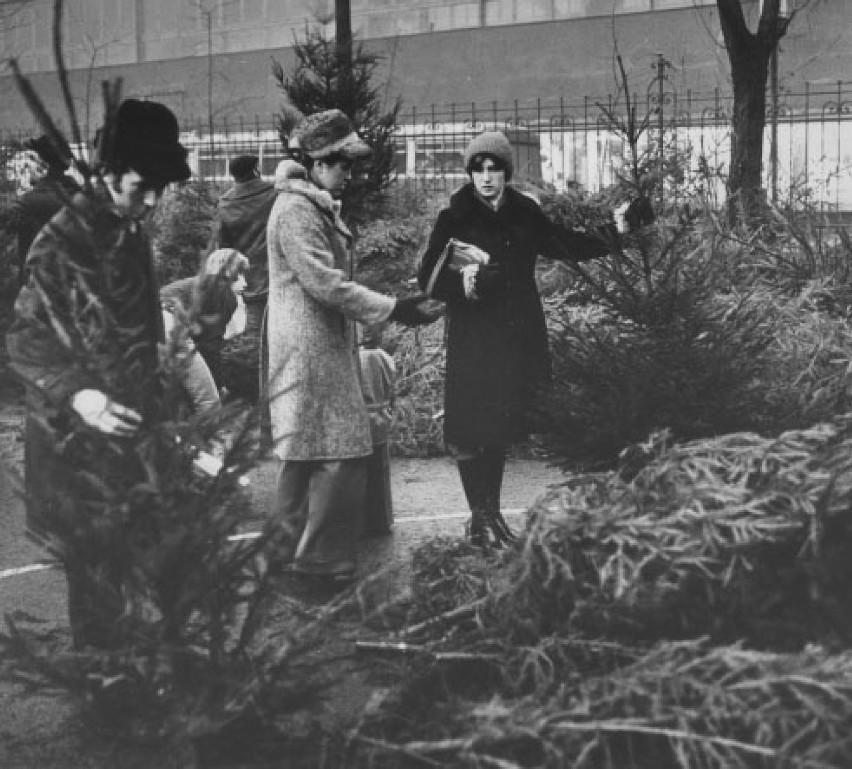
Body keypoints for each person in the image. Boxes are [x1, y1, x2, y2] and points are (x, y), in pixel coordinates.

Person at [6, 99, 191, 648]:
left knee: (144, 564)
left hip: (132, 434)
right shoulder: (64, 239)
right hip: (76, 445)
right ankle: (107, 693)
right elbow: (26, 336)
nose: (154, 199)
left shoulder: (128, 228)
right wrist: (79, 394)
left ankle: (144, 671)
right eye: (142, 184)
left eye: (162, 185)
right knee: (98, 579)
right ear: (107, 172)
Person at [417, 130, 644, 548]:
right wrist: (468, 279)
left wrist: (620, 228)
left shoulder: (524, 211)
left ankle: (491, 517)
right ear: (469, 173)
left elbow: (566, 244)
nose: (486, 177)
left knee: (500, 425)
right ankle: (480, 518)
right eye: (478, 169)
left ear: (506, 172)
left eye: (494, 169)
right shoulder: (455, 215)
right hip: (475, 335)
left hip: (518, 332)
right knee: (472, 425)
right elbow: (428, 277)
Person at [267, 108, 439, 590]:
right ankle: (320, 561)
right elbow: (325, 282)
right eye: (343, 164)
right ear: (319, 162)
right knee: (342, 447)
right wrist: (395, 308)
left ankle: (281, 551)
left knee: (303, 452)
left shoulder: (304, 204)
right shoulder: (298, 210)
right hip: (310, 346)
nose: (350, 173)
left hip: (310, 343)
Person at [211, 153, 277, 410]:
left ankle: (257, 399)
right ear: (257, 169)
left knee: (253, 342)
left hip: (247, 280)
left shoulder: (225, 203)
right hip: (276, 276)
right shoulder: (273, 194)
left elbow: (224, 244)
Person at [160, 247, 250, 410]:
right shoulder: (224, 292)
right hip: (170, 325)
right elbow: (210, 345)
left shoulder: (201, 284)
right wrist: (218, 384)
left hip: (153, 323)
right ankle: (215, 434)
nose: (246, 283)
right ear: (229, 271)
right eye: (241, 274)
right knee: (209, 402)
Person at [9, 135, 80, 286]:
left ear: (43, 164)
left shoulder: (26, 203)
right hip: (74, 285)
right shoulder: (79, 199)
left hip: (35, 285)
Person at [358, 322, 396, 536]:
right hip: (380, 417)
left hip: (359, 416)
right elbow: (392, 389)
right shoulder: (385, 357)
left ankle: (360, 521)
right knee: (379, 471)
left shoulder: (355, 357)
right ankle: (381, 522)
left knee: (358, 470)